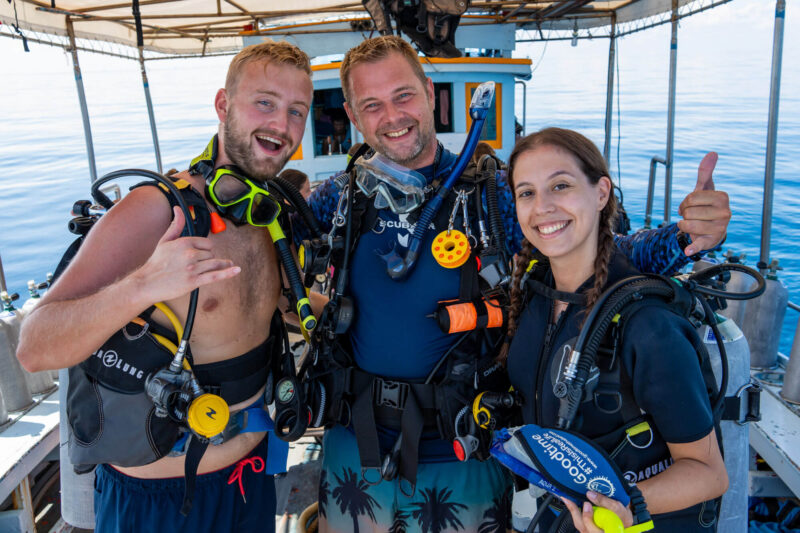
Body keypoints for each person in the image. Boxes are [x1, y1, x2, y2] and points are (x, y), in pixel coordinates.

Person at [296, 36, 731, 532]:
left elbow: (607, 247)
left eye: (404, 95)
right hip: (356, 443)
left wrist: (687, 238)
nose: (392, 115)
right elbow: (267, 240)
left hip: (464, 449)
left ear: (429, 92)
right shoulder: (340, 198)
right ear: (353, 114)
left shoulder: (492, 193)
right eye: (372, 105)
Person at [16, 40, 313, 533]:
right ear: (223, 105)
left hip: (251, 481)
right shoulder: (157, 210)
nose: (280, 125)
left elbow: (275, 306)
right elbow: (35, 345)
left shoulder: (265, 212)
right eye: (265, 102)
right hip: (160, 502)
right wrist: (142, 285)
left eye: (296, 111)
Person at [503, 128, 729, 532]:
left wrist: (626, 504)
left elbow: (710, 474)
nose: (543, 207)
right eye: (527, 193)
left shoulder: (648, 327)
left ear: (601, 193)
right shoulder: (533, 296)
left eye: (561, 185)